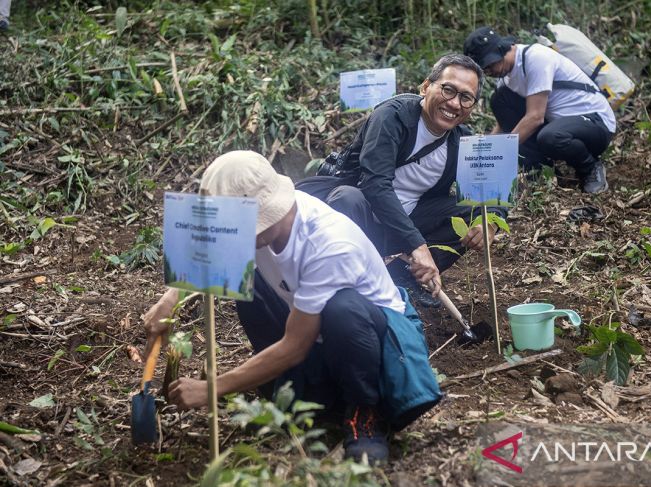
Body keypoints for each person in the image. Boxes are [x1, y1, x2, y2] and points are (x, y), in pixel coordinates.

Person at [142, 151, 441, 464]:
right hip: (320, 340)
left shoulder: (329, 245)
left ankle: (365, 413)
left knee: (343, 310)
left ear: (267, 212)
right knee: (251, 288)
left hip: (378, 350)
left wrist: (212, 388)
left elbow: (294, 346)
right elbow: (209, 251)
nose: (236, 237)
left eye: (240, 228)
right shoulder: (263, 229)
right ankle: (304, 395)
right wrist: (168, 302)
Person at [297, 53, 507, 308]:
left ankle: (403, 278)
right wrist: (417, 246)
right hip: (359, 217)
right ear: (426, 86)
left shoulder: (462, 140)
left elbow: (492, 194)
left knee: (473, 211)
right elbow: (375, 184)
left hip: (406, 220)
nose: (454, 104)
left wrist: (490, 222)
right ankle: (346, 284)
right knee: (347, 198)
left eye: (466, 97)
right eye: (448, 90)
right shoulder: (392, 117)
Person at [464, 26, 615, 194]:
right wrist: (485, 152)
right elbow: (502, 127)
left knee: (549, 137)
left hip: (597, 123)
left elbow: (535, 117)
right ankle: (543, 168)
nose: (489, 72)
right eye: (484, 69)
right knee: (500, 100)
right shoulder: (506, 79)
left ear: (501, 50)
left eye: (489, 65)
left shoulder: (536, 58)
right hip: (562, 126)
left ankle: (590, 167)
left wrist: (502, 152)